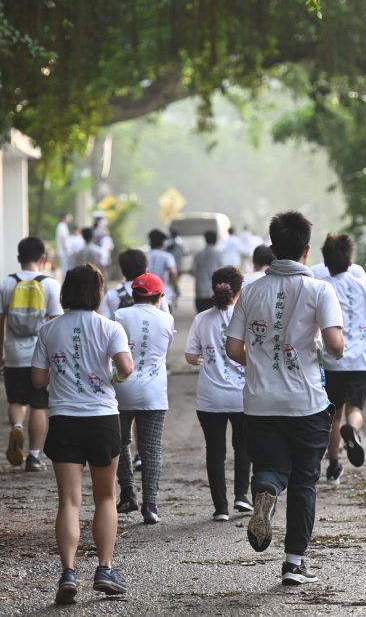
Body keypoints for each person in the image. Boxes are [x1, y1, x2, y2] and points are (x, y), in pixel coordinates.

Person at [225, 211, 344, 586]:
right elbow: (337, 346)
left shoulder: (253, 290)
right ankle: (293, 563)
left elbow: (232, 348)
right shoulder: (320, 290)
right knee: (306, 481)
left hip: (260, 404)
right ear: (307, 251)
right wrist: (326, 349)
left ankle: (265, 490)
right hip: (306, 403)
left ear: (274, 249)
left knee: (273, 467)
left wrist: (260, 363)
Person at [31, 264, 134, 604]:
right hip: (103, 419)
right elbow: (126, 368)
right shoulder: (109, 327)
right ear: (98, 292)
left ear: (66, 293)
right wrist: (113, 379)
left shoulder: (49, 330)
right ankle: (104, 569)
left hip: (64, 419)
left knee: (69, 501)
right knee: (105, 497)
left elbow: (38, 380)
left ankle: (69, 573)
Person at [320, 234, 366, 485]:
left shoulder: (323, 286)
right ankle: (354, 430)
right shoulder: (365, 285)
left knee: (334, 416)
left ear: (326, 263)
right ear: (351, 258)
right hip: (361, 362)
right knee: (355, 410)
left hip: (333, 362)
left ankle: (334, 465)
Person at [185, 266, 252, 521]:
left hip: (210, 397)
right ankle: (242, 497)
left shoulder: (202, 318)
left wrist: (208, 357)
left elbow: (191, 356)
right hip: (242, 395)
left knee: (215, 451)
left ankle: (221, 508)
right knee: (243, 447)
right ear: (239, 290)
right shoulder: (246, 316)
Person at [0, 237, 63, 472]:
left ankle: (17, 426)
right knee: (39, 404)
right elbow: (56, 323)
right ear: (42, 259)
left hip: (14, 353)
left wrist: (0, 353)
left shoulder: (6, 284)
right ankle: (33, 456)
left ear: (18, 258)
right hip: (39, 355)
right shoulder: (50, 285)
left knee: (16, 400)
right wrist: (55, 358)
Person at [112, 273, 175, 524]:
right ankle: (150, 505)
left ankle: (127, 492)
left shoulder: (119, 317)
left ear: (133, 295)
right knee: (150, 449)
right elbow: (165, 351)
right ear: (160, 296)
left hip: (121, 388)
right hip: (154, 392)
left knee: (120, 442)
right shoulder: (167, 319)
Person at [99, 249, 170, 317]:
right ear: (145, 268)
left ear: (122, 270)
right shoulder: (156, 293)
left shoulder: (111, 295)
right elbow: (166, 319)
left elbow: (104, 323)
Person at [146, 229, 179, 312]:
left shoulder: (145, 255)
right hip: (164, 295)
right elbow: (173, 272)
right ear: (163, 243)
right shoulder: (167, 256)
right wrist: (174, 285)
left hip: (144, 297)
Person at [192, 230, 223, 313]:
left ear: (205, 240)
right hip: (214, 291)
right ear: (215, 240)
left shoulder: (198, 254)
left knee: (201, 316)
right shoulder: (218, 254)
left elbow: (194, 271)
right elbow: (222, 272)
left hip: (200, 290)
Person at [164, 229, 186, 301]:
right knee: (175, 282)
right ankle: (176, 293)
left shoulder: (168, 244)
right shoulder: (180, 245)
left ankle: (175, 293)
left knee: (171, 283)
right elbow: (185, 253)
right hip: (179, 267)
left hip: (171, 268)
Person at [55, 213, 74, 279]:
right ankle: (64, 283)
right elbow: (62, 239)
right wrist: (66, 250)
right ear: (65, 217)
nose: (70, 218)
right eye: (69, 217)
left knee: (65, 268)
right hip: (64, 251)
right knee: (65, 269)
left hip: (64, 251)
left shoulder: (63, 226)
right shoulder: (62, 226)